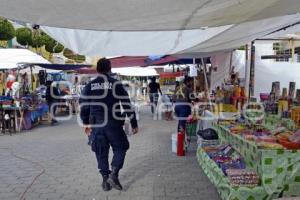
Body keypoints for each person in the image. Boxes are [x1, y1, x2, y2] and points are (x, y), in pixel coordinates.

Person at [79, 58, 138, 192]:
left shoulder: (89, 86)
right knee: (122, 147)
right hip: (113, 123)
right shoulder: (116, 84)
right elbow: (127, 105)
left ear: (97, 70)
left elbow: (84, 107)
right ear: (110, 69)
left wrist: (85, 123)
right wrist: (134, 123)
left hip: (97, 125)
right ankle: (114, 174)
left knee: (101, 151)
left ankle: (106, 180)